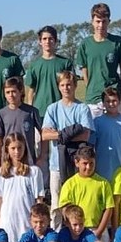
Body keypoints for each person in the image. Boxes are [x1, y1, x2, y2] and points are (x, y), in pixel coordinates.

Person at [41, 70, 94, 224]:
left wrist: (60, 135)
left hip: (77, 164)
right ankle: (56, 232)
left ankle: (77, 231)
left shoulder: (82, 108)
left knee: (77, 202)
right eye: (63, 85)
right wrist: (65, 134)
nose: (66, 88)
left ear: (75, 86)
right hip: (57, 164)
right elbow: (45, 135)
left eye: (69, 85)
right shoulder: (53, 109)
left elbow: (85, 135)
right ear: (59, 87)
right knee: (57, 203)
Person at [57, 145, 115, 242]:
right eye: (85, 163)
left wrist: (99, 231)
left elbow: (108, 209)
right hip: (76, 230)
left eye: (91, 163)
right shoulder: (69, 184)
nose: (88, 167)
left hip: (97, 228)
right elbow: (65, 209)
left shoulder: (103, 183)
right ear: (77, 162)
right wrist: (74, 229)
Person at [0, 132, 47, 242]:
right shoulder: (0, 173)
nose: (17, 152)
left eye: (20, 148)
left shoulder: (34, 172)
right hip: (7, 221)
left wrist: (39, 222)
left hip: (26, 221)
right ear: (7, 149)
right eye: (13, 148)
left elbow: (39, 201)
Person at [75, 2, 121, 116]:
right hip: (93, 100)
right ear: (92, 22)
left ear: (109, 21)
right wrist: (92, 89)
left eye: (104, 21)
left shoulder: (118, 42)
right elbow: (85, 72)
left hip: (114, 98)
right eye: (98, 21)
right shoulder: (85, 44)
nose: (101, 25)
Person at [24, 25, 75, 124]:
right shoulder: (34, 65)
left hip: (61, 111)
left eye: (50, 39)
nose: (47, 41)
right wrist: (30, 110)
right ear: (40, 41)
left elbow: (72, 88)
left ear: (55, 41)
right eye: (44, 39)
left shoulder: (65, 63)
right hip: (40, 112)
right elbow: (31, 91)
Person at [0, 77, 42, 169]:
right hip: (8, 162)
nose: (11, 95)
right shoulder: (1, 114)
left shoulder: (31, 112)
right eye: (7, 92)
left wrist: (42, 156)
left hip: (28, 161)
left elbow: (42, 133)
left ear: (20, 91)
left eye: (14, 91)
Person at [91, 87, 121, 184]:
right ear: (103, 103)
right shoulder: (97, 122)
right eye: (108, 101)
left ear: (119, 102)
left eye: (114, 101)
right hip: (103, 168)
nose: (111, 104)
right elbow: (92, 144)